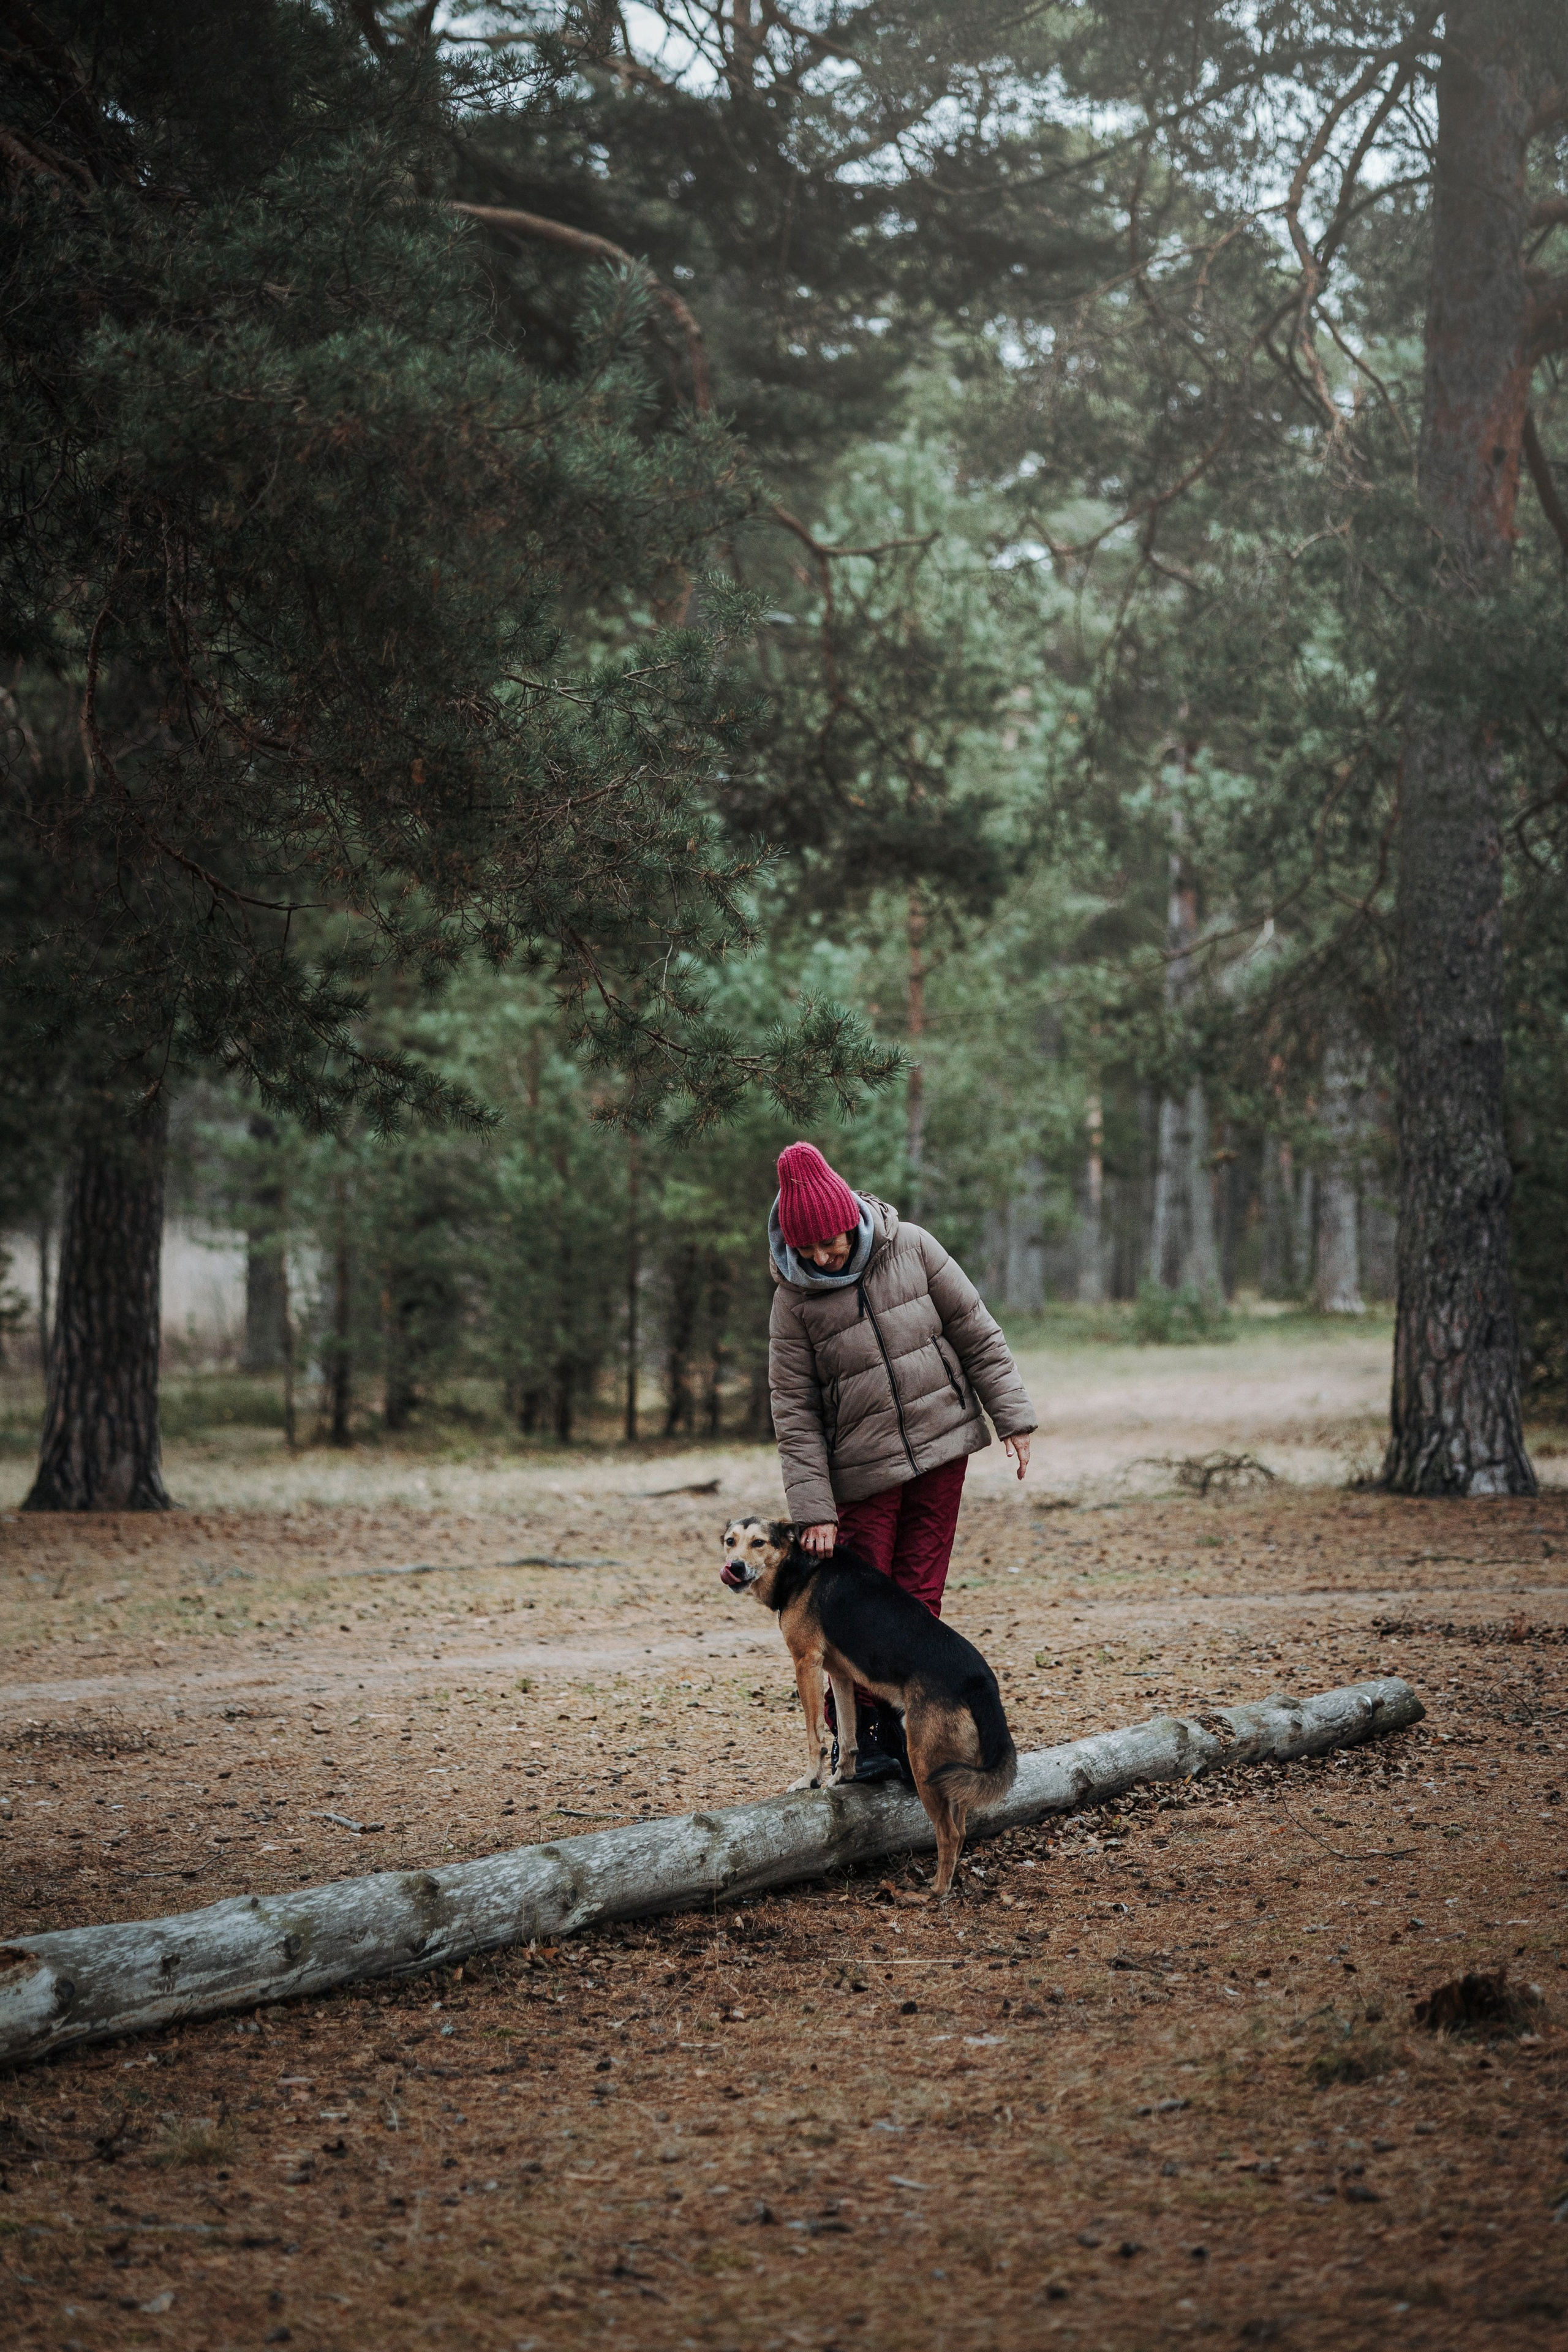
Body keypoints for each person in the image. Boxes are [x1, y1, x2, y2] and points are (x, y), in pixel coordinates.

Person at [767, 1140, 1038, 1780]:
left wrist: (1013, 1416)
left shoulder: (912, 1246)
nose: (821, 1257)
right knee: (857, 1612)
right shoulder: (793, 1301)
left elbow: (976, 1330)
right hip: (862, 1473)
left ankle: (912, 1730)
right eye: (807, 1250)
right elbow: (793, 1410)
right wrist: (813, 1510)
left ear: (850, 1219)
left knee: (919, 1599)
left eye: (829, 1242)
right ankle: (859, 1745)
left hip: (942, 1448)